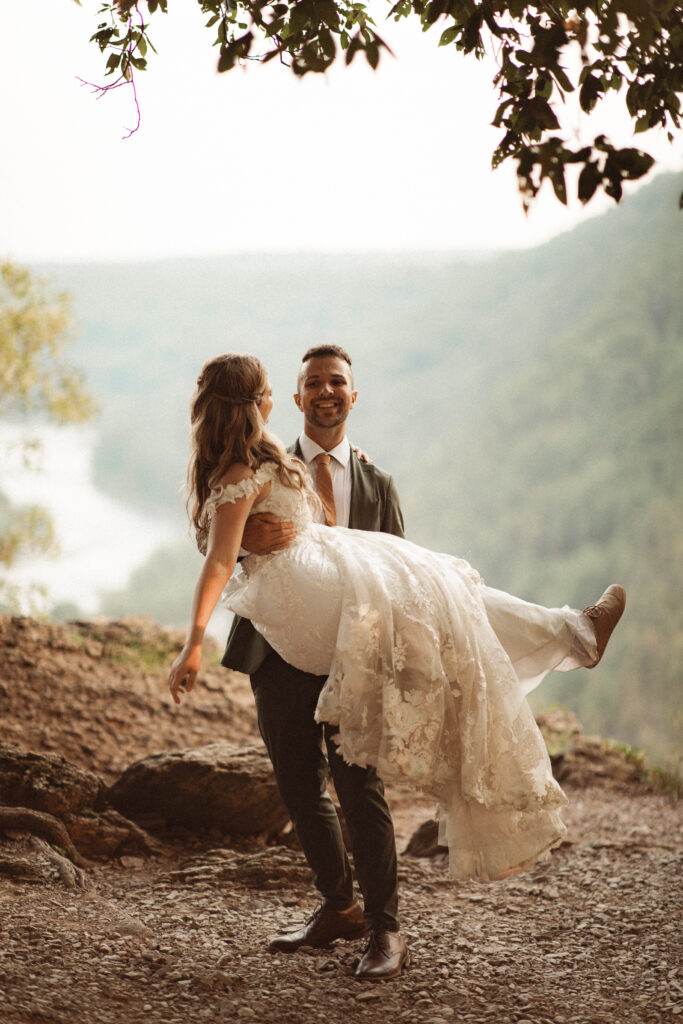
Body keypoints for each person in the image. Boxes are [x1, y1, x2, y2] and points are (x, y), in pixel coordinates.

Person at [168, 351, 626, 978]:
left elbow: (270, 543)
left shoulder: (362, 478)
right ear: (286, 400)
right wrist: (243, 546)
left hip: (355, 622)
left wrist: (224, 593)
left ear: (353, 394)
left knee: (435, 616)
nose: (321, 392)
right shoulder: (260, 461)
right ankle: (340, 907)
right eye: (301, 385)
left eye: (337, 383)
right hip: (286, 645)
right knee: (299, 786)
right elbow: (227, 549)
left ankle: (386, 931)